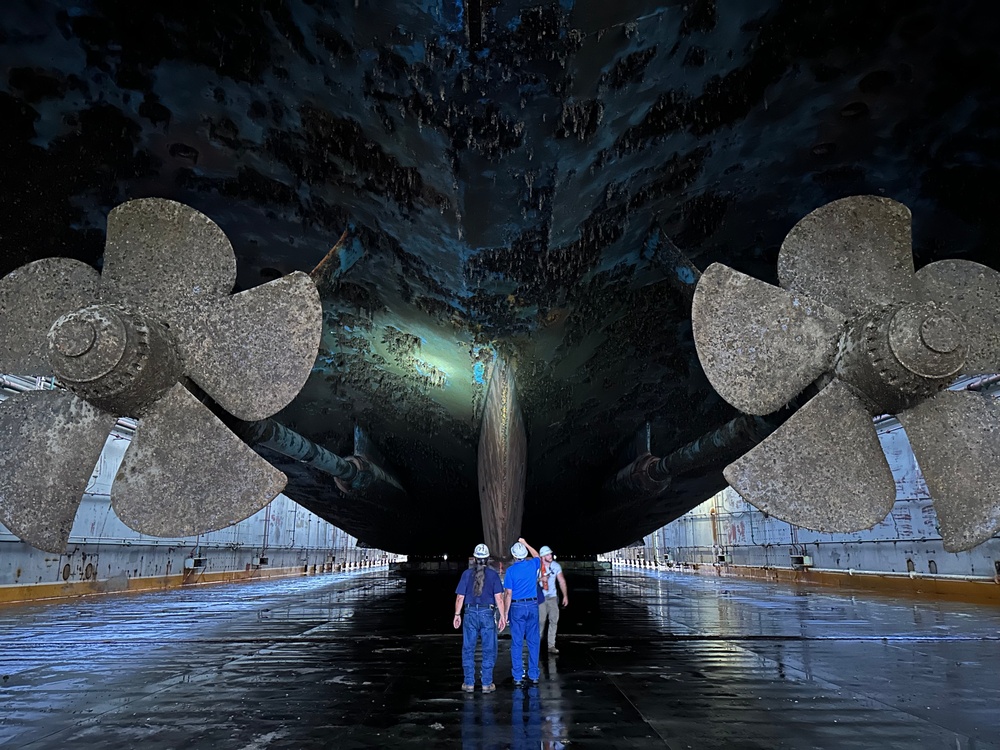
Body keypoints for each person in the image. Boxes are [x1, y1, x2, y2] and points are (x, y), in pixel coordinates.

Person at [453, 543, 507, 692]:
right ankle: (486, 683)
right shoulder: (494, 575)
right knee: (489, 649)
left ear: (475, 559)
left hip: (469, 613)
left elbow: (460, 597)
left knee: (468, 649)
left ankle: (469, 683)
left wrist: (457, 614)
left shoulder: (466, 574)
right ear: (488, 558)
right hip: (487, 614)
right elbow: (499, 599)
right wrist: (503, 616)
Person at [503, 537, 541, 687]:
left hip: (517, 607)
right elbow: (537, 555)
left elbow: (508, 594)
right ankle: (534, 674)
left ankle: (518, 676)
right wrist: (526, 543)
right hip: (532, 605)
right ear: (525, 554)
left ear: (514, 556)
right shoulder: (532, 564)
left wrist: (505, 613)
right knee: (533, 641)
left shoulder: (510, 571)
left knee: (517, 642)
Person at [537, 545, 568, 654]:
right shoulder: (537, 567)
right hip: (540, 598)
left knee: (554, 620)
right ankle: (536, 644)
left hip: (553, 597)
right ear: (542, 556)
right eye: (548, 554)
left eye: (550, 554)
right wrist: (541, 578)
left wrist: (565, 596)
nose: (550, 556)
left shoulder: (556, 566)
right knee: (541, 621)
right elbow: (530, 581)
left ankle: (551, 645)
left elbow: (561, 581)